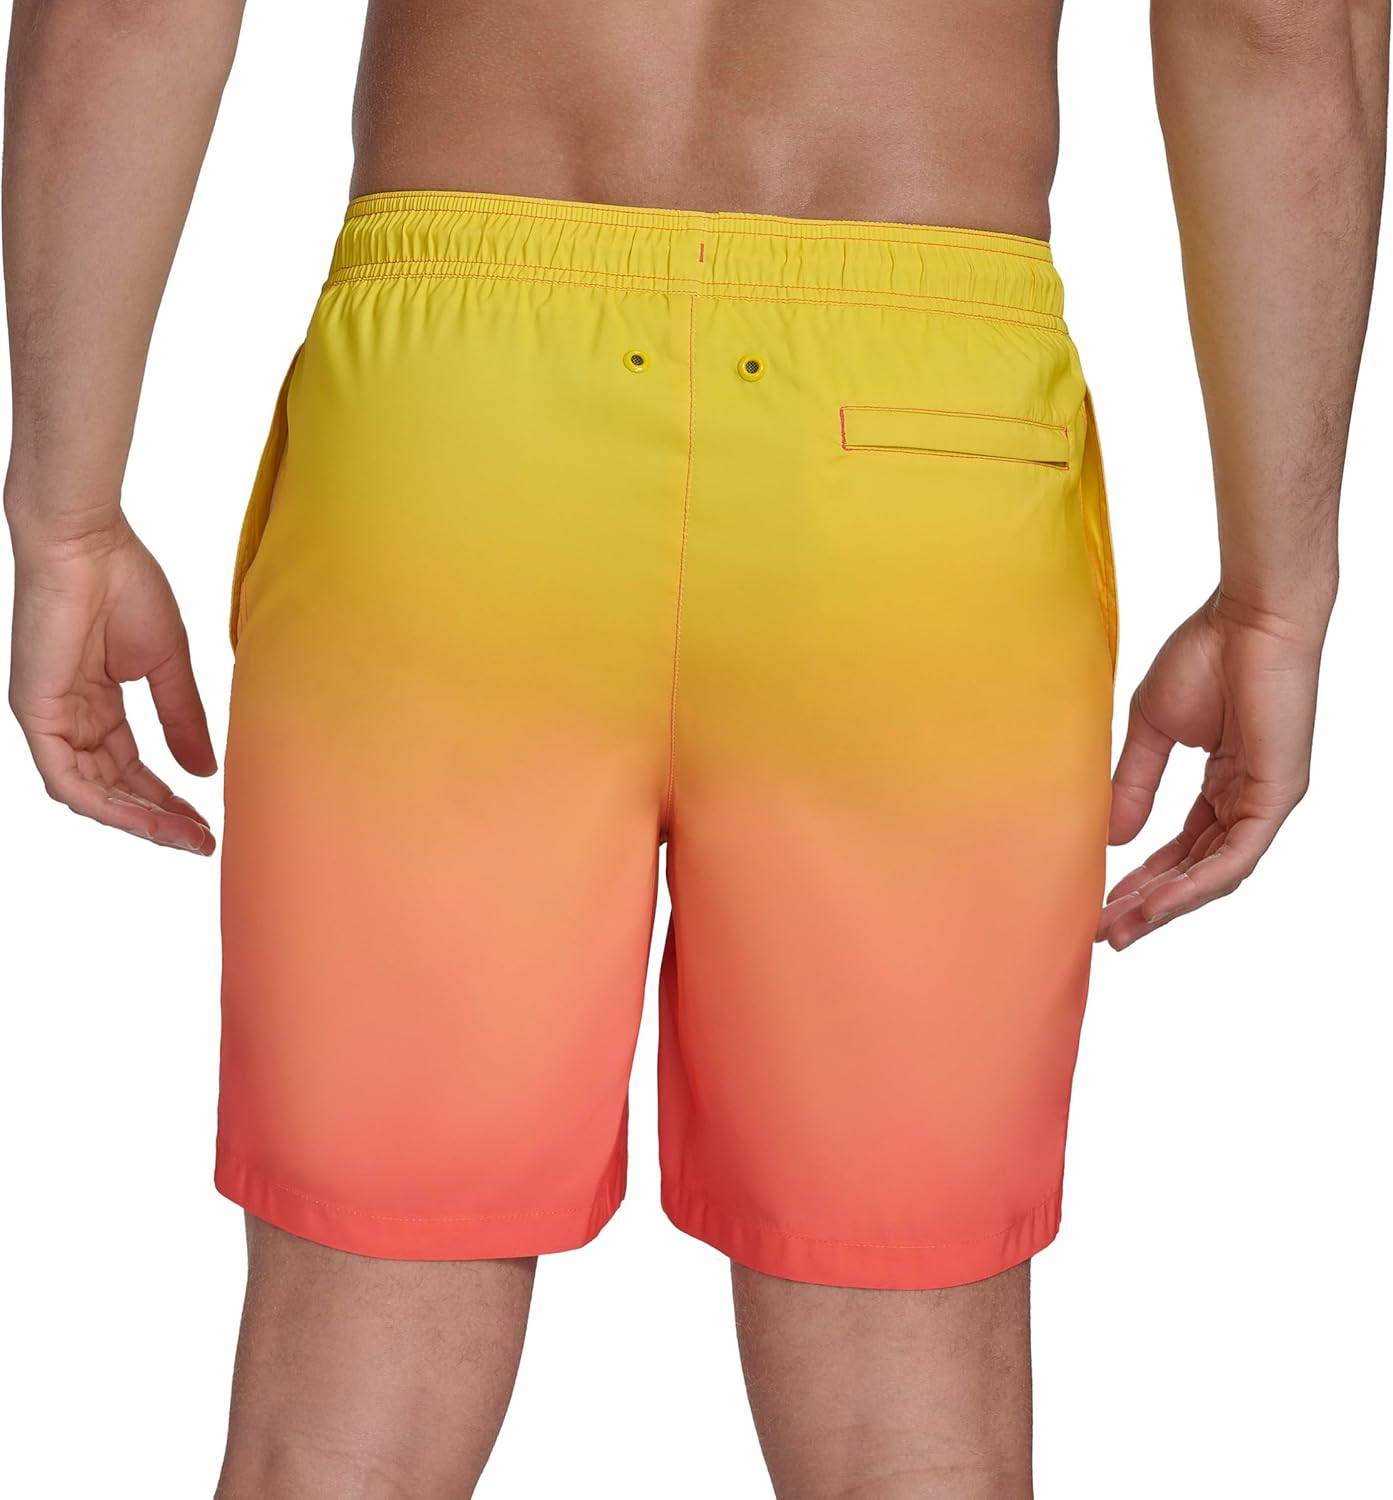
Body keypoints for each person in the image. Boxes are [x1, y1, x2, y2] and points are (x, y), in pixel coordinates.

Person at [4, 1, 1385, 1495]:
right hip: (921, 444)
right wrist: (1276, 594)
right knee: (906, 1423)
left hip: (459, 422)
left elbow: (129, 11)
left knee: (344, 1413)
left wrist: (64, 515)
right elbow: (1274, 26)